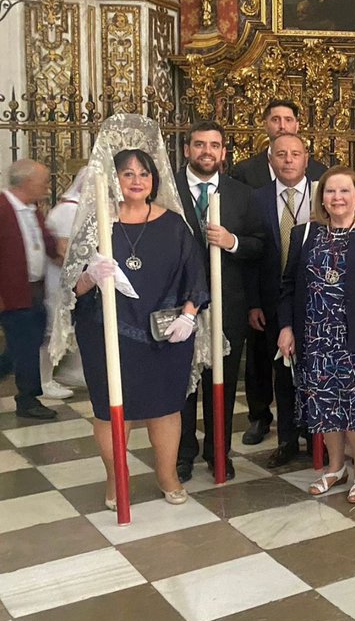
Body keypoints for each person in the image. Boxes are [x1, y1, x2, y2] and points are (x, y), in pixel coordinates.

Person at [73, 149, 208, 509]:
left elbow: (194, 274)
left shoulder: (175, 224)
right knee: (112, 407)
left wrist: (189, 315)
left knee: (165, 408)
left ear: (154, 180)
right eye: (127, 174)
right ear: (112, 180)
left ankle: (168, 475)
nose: (136, 181)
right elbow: (72, 285)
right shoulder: (96, 223)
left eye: (143, 174)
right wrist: (89, 276)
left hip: (165, 333)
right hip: (108, 332)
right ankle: (117, 478)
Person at [278, 167, 355, 504]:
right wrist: (287, 327)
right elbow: (287, 285)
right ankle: (334, 467)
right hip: (315, 338)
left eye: (345, 191)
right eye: (331, 192)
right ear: (322, 199)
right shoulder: (305, 233)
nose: (338, 198)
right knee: (325, 405)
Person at [175, 123, 266, 483]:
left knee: (223, 382)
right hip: (178, 303)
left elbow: (259, 245)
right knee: (183, 384)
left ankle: (218, 451)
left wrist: (232, 242)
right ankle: (182, 453)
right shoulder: (169, 189)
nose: (206, 151)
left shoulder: (241, 195)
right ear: (187, 150)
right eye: (199, 145)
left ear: (224, 152)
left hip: (227, 304)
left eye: (214, 145)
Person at [245, 134, 320, 466]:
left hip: (319, 298)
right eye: (281, 155)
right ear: (271, 160)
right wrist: (253, 302)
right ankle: (288, 438)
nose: (288, 160)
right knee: (282, 369)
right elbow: (250, 256)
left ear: (306, 158)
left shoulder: (324, 193)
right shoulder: (256, 199)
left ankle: (318, 436)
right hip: (274, 299)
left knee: (317, 370)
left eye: (295, 154)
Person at [0, 160, 61, 421]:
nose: (47, 186)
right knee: (22, 347)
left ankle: (27, 396)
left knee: (28, 343)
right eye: (43, 181)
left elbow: (43, 241)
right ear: (26, 182)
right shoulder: (2, 208)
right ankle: (27, 399)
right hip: (11, 293)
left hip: (34, 290)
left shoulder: (32, 207)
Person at [41, 166, 88, 397]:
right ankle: (45, 380)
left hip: (73, 280)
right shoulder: (70, 211)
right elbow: (64, 252)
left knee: (72, 326)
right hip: (60, 281)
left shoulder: (78, 208)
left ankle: (73, 370)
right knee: (54, 330)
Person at [230, 99, 329, 190]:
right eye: (276, 120)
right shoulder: (244, 171)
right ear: (265, 125)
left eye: (288, 120)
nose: (282, 126)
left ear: (297, 126)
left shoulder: (319, 172)